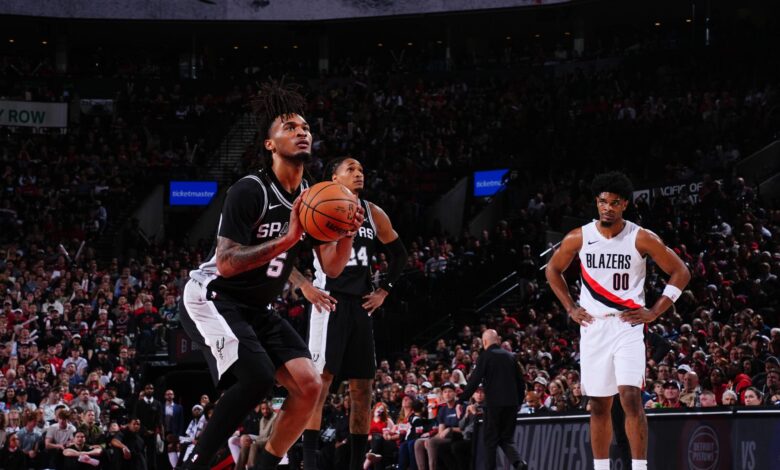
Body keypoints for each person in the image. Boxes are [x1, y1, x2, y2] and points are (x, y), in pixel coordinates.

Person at [178, 81, 362, 470]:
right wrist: (288, 238)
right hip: (213, 296)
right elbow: (226, 263)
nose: (302, 132)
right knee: (257, 377)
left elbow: (332, 267)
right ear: (270, 144)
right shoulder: (250, 190)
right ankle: (194, 463)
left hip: (256, 307)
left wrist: (347, 232)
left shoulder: (313, 196)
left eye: (306, 127)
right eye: (290, 127)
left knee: (309, 386)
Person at [545, 171, 691, 470]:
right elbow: (552, 270)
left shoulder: (641, 237)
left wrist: (655, 311)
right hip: (594, 326)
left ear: (624, 204)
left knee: (630, 396)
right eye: (602, 202)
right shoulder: (579, 236)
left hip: (627, 326)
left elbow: (681, 272)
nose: (607, 208)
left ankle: (639, 467)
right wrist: (570, 307)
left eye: (614, 203)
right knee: (599, 404)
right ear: (596, 203)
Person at [296, 157, 408, 470]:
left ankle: (356, 464)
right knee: (320, 384)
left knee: (363, 389)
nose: (359, 173)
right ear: (334, 178)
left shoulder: (373, 213)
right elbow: (283, 252)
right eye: (351, 169)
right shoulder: (318, 206)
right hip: (329, 302)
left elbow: (400, 255)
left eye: (361, 169)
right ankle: (309, 463)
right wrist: (303, 285)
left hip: (361, 306)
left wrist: (383, 291)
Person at [460, 329, 526, 470]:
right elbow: (521, 382)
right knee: (506, 438)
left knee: (490, 441)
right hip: (512, 404)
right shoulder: (510, 357)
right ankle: (519, 463)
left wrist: (462, 399)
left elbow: (475, 380)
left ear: (484, 342)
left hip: (494, 404)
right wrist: (519, 402)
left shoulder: (485, 356)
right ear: (498, 340)